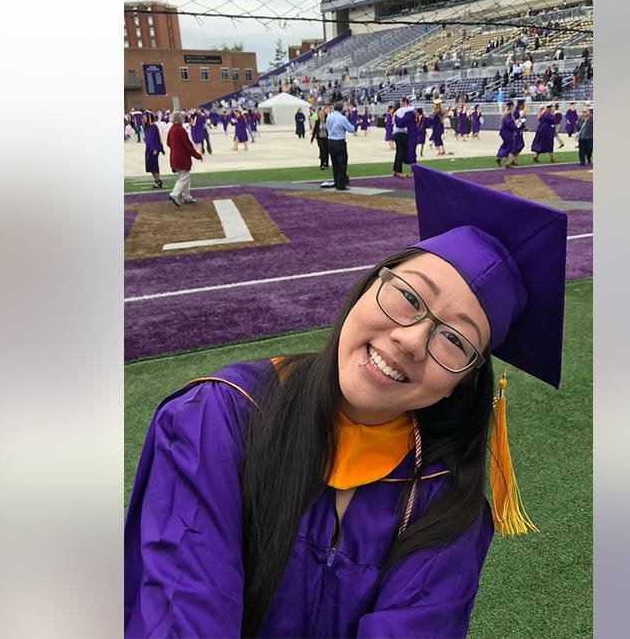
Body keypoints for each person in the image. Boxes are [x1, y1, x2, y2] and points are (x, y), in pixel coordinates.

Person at [124, 164, 570, 638]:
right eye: (409, 297)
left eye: (456, 340)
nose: (412, 340)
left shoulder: (444, 502)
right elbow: (183, 615)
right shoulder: (219, 418)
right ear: (368, 284)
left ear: (459, 383)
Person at [166, 110, 203, 206]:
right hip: (182, 158)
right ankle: (175, 194)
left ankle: (187, 196)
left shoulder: (172, 129)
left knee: (185, 176)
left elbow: (168, 143)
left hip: (174, 156)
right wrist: (197, 155)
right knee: (184, 177)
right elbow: (188, 146)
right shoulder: (180, 130)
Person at [322, 101, 356, 191]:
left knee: (335, 163)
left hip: (330, 141)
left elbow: (327, 127)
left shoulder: (330, 117)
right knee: (342, 163)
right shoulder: (342, 118)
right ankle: (341, 184)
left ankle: (337, 181)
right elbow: (351, 129)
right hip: (339, 141)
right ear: (342, 109)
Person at [495, 99, 527, 168]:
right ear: (511, 107)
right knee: (510, 147)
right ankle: (508, 163)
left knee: (505, 145)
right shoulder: (508, 115)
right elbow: (510, 124)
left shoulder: (504, 114)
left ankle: (499, 157)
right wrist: (515, 128)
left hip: (504, 132)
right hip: (508, 133)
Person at [391, 96, 415, 178]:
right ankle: (399, 171)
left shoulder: (398, 111)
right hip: (401, 133)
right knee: (401, 152)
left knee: (398, 152)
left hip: (396, 133)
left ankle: (395, 170)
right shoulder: (404, 111)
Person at [142, 112, 164, 189]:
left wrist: (156, 149)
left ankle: (157, 181)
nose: (143, 119)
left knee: (154, 165)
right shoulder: (147, 127)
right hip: (148, 149)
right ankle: (156, 180)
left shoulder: (154, 127)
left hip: (153, 149)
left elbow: (157, 139)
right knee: (149, 165)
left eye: (145, 117)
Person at [311, 106, 330, 171]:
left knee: (326, 151)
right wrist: (312, 138)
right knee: (322, 150)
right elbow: (315, 129)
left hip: (326, 138)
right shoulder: (318, 121)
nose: (321, 115)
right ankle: (322, 164)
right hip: (320, 138)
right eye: (320, 114)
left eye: (322, 114)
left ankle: (326, 163)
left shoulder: (327, 121)